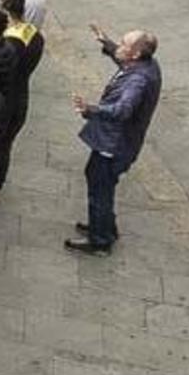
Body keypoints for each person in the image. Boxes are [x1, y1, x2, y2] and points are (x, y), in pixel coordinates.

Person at [66, 27, 161, 256]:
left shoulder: (138, 81)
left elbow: (122, 110)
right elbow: (123, 63)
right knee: (100, 181)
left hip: (114, 144)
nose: (119, 47)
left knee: (100, 187)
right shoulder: (146, 66)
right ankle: (104, 225)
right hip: (121, 142)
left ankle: (100, 241)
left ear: (136, 55)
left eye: (123, 45)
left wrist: (90, 109)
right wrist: (106, 43)